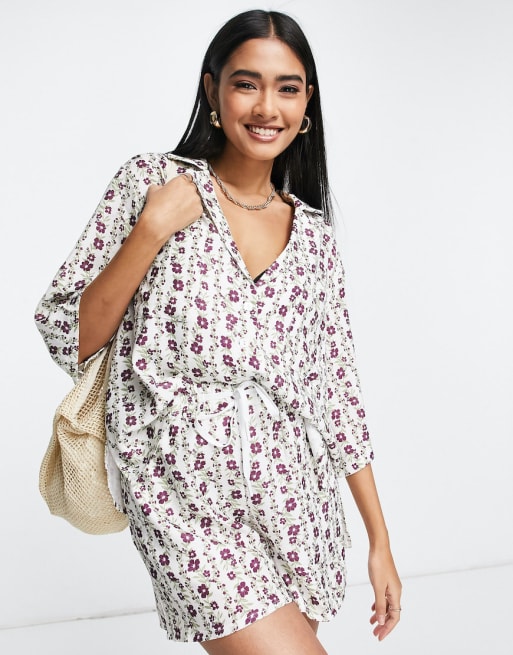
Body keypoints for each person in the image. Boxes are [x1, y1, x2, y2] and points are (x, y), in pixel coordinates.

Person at [34, 9, 401, 655]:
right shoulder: (151, 183)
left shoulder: (313, 237)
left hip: (296, 500)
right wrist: (151, 230)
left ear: (306, 103)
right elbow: (73, 333)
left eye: (287, 88)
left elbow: (337, 391)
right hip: (181, 494)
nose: (266, 107)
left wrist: (380, 540)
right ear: (212, 90)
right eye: (245, 83)